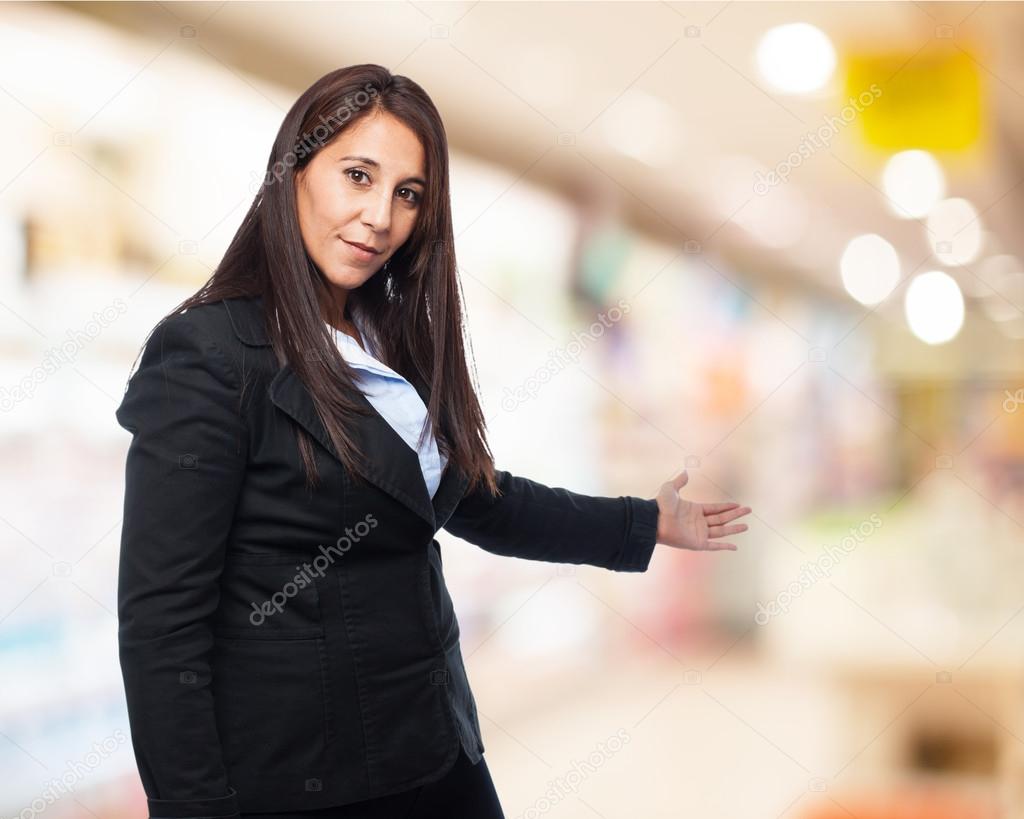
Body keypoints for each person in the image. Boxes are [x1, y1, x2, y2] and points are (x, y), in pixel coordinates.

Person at [114, 64, 752, 819]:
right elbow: (161, 620)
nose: (380, 215)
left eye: (407, 193)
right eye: (357, 175)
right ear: (292, 172)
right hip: (304, 781)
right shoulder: (209, 352)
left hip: (434, 750)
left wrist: (642, 522)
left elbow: (478, 500)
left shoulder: (381, 342)